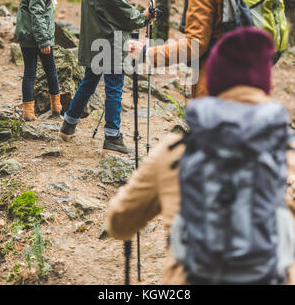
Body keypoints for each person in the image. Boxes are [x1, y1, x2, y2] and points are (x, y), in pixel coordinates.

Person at [107, 27, 295, 285]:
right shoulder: (289, 156)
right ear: (266, 87)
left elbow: (119, 223)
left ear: (213, 84)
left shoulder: (174, 151)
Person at [59, 0, 153, 155]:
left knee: (88, 84)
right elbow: (127, 16)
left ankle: (68, 125)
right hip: (110, 45)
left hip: (96, 43)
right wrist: (146, 17)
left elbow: (113, 13)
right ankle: (112, 138)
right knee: (114, 90)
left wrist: (142, 16)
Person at [15, 0, 62, 122]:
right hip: (38, 40)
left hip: (28, 39)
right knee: (49, 71)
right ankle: (55, 107)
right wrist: (43, 40)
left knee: (30, 73)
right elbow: (37, 17)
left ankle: (31, 111)